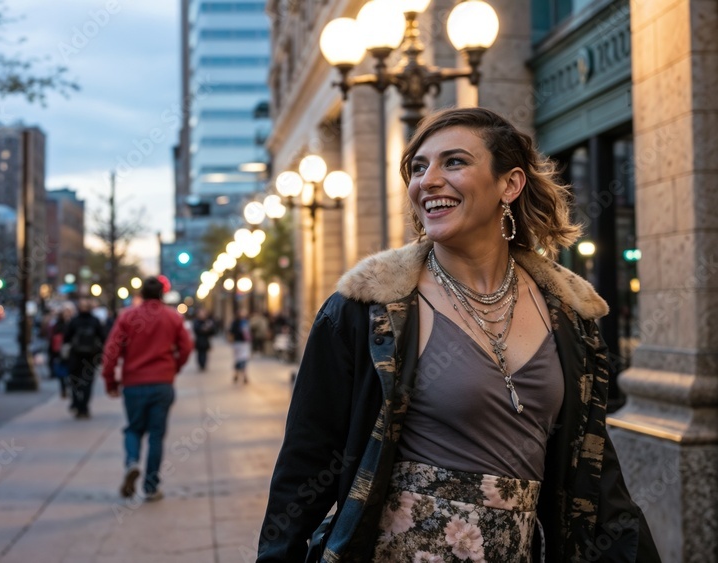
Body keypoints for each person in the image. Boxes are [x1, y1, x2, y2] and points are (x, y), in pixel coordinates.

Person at [257, 108, 659, 562]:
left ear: (510, 184)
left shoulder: (569, 314)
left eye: (454, 162)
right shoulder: (366, 311)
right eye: (418, 167)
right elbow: (306, 461)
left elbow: (595, 470)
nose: (427, 180)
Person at [101, 276, 193, 502]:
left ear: (141, 294)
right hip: (162, 384)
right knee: (156, 435)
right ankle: (151, 486)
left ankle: (132, 461)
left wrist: (110, 381)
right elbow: (187, 346)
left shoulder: (128, 317)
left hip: (133, 383)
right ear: (162, 294)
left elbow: (111, 352)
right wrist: (174, 367)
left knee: (133, 429)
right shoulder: (172, 317)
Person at [64, 298, 107, 419]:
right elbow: (103, 338)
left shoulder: (74, 321)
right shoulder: (95, 321)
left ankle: (78, 405)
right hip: (91, 357)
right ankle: (84, 407)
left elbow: (66, 338)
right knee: (87, 383)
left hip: (75, 356)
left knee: (75, 382)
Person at [228, 310, 251, 384]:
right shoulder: (236, 322)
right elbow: (231, 332)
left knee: (243, 359)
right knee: (239, 359)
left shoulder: (245, 322)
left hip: (244, 343)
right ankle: (237, 374)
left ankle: (243, 375)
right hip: (238, 343)